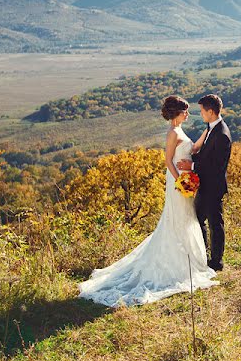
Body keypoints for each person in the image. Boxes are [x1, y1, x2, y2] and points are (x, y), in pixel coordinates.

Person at [77, 95, 218, 306]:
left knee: (187, 217)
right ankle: (176, 263)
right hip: (178, 181)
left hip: (186, 178)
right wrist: (180, 180)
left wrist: (206, 134)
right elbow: (168, 160)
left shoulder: (180, 130)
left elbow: (192, 150)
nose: (187, 114)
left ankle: (190, 259)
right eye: (185, 111)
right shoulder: (172, 132)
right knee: (177, 218)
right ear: (176, 114)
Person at [178, 93, 231, 271]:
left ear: (210, 112)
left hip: (213, 188)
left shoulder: (222, 134)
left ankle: (216, 262)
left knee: (215, 224)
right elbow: (205, 155)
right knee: (198, 220)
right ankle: (203, 254)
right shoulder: (211, 129)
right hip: (204, 186)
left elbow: (215, 166)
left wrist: (191, 165)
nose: (200, 114)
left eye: (202, 111)